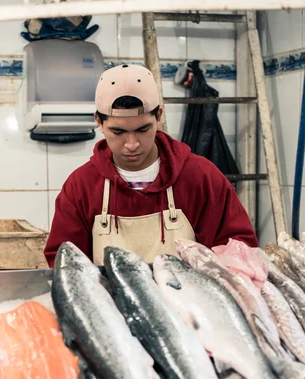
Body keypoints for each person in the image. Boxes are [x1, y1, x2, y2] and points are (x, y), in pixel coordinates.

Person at [44, 63, 258, 267]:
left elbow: (238, 250)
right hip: (110, 303)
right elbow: (65, 262)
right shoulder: (81, 186)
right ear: (99, 122)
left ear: (159, 117)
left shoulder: (200, 177)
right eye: (118, 132)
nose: (132, 144)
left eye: (143, 129)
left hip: (188, 303)